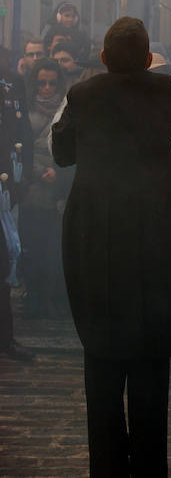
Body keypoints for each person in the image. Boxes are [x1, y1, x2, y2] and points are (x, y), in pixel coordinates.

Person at [51, 16, 171, 478]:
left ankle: (107, 468)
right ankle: (150, 467)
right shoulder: (161, 91)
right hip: (156, 233)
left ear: (102, 57)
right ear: (146, 59)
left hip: (97, 235)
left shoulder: (83, 95)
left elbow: (62, 153)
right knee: (151, 366)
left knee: (101, 361)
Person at [20, 58, 67, 319]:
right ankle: (34, 298)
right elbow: (20, 147)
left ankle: (49, 299)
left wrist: (58, 172)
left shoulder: (67, 108)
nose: (47, 88)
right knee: (32, 247)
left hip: (58, 188)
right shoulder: (25, 110)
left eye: (51, 83)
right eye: (41, 83)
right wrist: (39, 172)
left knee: (54, 250)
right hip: (33, 188)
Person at [0, 51, 34, 360]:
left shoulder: (11, 82)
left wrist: (24, 175)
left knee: (6, 255)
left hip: (5, 181)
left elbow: (22, 133)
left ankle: (5, 338)